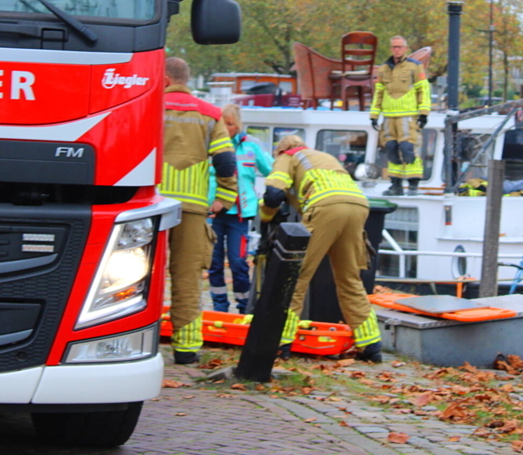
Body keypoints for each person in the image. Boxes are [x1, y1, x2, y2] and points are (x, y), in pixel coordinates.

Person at [259, 135, 382, 362]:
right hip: (358, 204)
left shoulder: (288, 156)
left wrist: (265, 217)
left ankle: (281, 341)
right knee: (350, 279)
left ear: (281, 150)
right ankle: (371, 345)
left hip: (325, 206)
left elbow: (273, 194)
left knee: (296, 276)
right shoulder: (323, 156)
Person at [160, 57, 238, 365]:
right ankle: (187, 347)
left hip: (146, 206)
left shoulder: (148, 106)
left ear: (164, 79)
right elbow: (225, 161)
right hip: (191, 209)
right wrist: (225, 198)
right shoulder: (211, 114)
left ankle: (135, 337)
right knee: (188, 277)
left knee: (135, 276)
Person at [206, 104, 274, 314]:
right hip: (213, 213)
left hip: (240, 215)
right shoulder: (208, 145)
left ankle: (244, 306)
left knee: (238, 261)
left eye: (231, 124)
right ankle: (219, 306)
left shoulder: (251, 146)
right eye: (223, 124)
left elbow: (271, 170)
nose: (227, 128)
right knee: (214, 261)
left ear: (238, 125)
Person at [369, 35, 431, 196]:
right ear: (391, 49)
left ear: (405, 48)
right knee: (391, 149)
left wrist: (423, 113)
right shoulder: (383, 69)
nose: (396, 50)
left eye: (399, 47)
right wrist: (374, 114)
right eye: (394, 47)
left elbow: (423, 90)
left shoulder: (415, 66)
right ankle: (395, 185)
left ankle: (413, 185)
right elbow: (379, 93)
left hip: (408, 116)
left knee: (408, 149)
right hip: (389, 116)